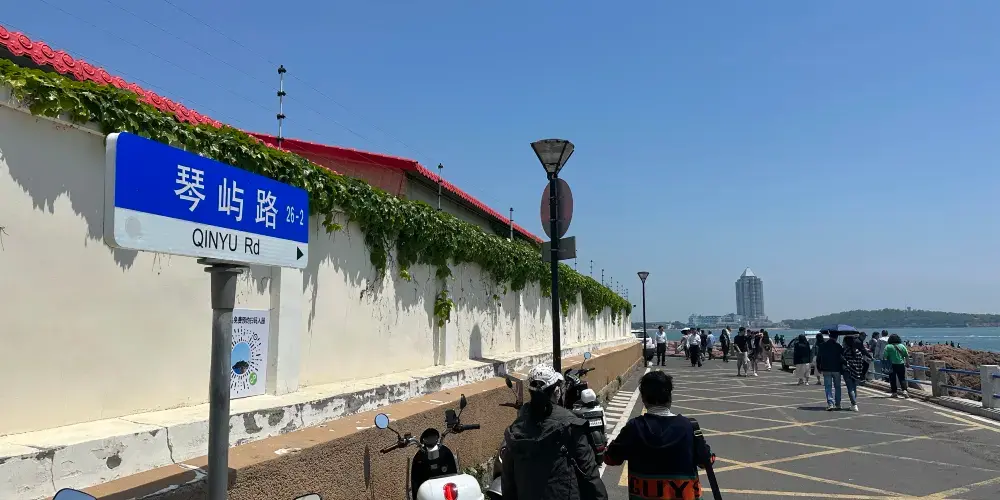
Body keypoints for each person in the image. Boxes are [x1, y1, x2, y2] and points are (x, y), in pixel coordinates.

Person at [501, 364, 609, 500]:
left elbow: (508, 481)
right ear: (557, 391)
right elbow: (589, 474)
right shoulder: (570, 424)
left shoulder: (515, 429)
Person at [603, 371, 714, 499]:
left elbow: (611, 459)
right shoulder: (689, 427)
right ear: (670, 397)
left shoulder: (634, 427)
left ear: (643, 398)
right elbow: (706, 462)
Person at [817, 332, 845, 411]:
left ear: (829, 336)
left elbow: (819, 357)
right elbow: (842, 357)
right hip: (836, 369)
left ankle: (830, 404)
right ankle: (838, 404)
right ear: (836, 337)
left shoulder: (822, 345)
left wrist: (819, 367)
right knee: (837, 387)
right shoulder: (838, 346)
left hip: (826, 369)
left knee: (828, 387)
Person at [841, 336, 869, 412]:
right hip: (857, 372)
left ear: (846, 343)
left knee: (850, 389)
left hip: (848, 372)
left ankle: (854, 404)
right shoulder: (858, 351)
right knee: (854, 388)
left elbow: (843, 361)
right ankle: (853, 404)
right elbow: (861, 363)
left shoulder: (845, 351)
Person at [883, 334, 910, 398]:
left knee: (892, 379)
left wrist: (885, 364)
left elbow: (885, 356)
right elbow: (906, 355)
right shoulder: (902, 346)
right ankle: (905, 391)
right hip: (901, 364)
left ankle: (894, 392)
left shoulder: (888, 346)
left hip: (892, 365)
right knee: (902, 378)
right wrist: (907, 363)